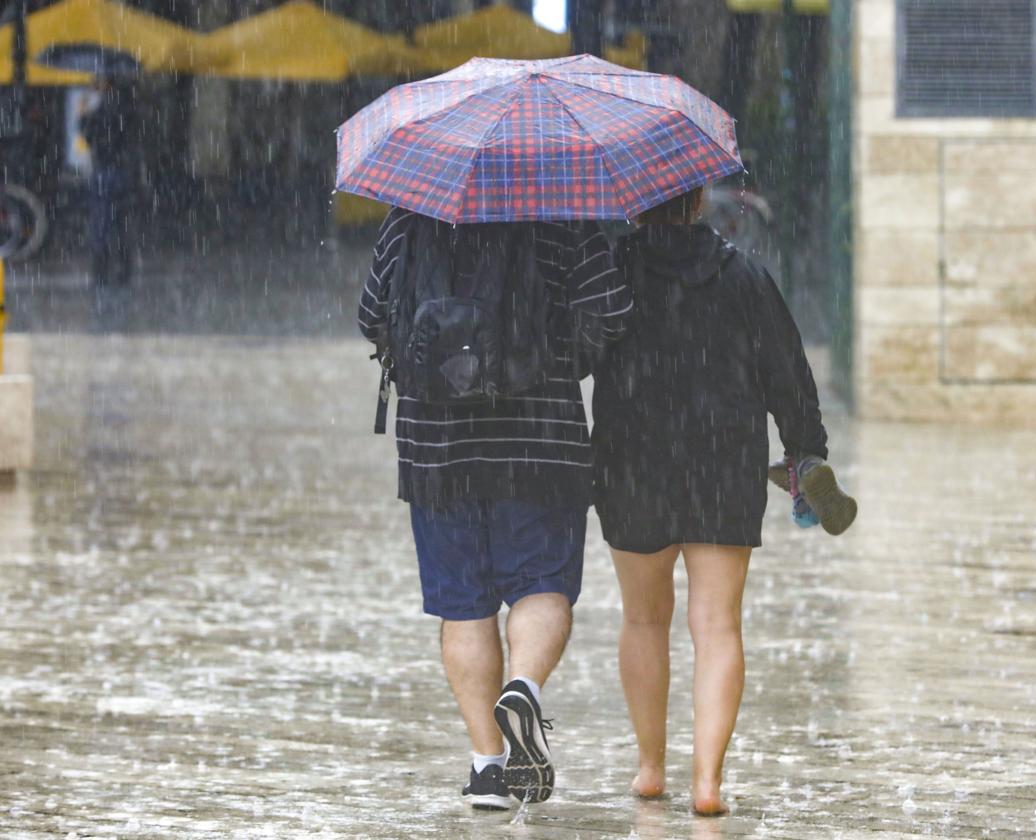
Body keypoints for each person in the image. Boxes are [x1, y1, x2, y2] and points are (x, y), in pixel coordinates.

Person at [590, 186, 855, 816]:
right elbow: (788, 372)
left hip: (634, 461)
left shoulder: (611, 272)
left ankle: (651, 768)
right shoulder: (744, 275)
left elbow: (575, 354)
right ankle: (707, 781)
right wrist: (805, 449)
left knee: (644, 619)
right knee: (717, 627)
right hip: (722, 460)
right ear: (700, 197)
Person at [358, 207, 631, 809]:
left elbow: (372, 317)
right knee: (541, 585)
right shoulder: (563, 218)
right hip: (540, 437)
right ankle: (523, 689)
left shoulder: (409, 218)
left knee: (463, 605)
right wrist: (563, 358)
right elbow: (611, 313)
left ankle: (488, 768)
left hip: (437, 448)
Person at [79, 78, 136, 288]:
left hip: (105, 170)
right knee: (119, 222)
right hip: (119, 170)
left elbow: (90, 137)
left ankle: (102, 270)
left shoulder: (104, 108)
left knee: (101, 222)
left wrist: (85, 116)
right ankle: (123, 269)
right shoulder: (125, 104)